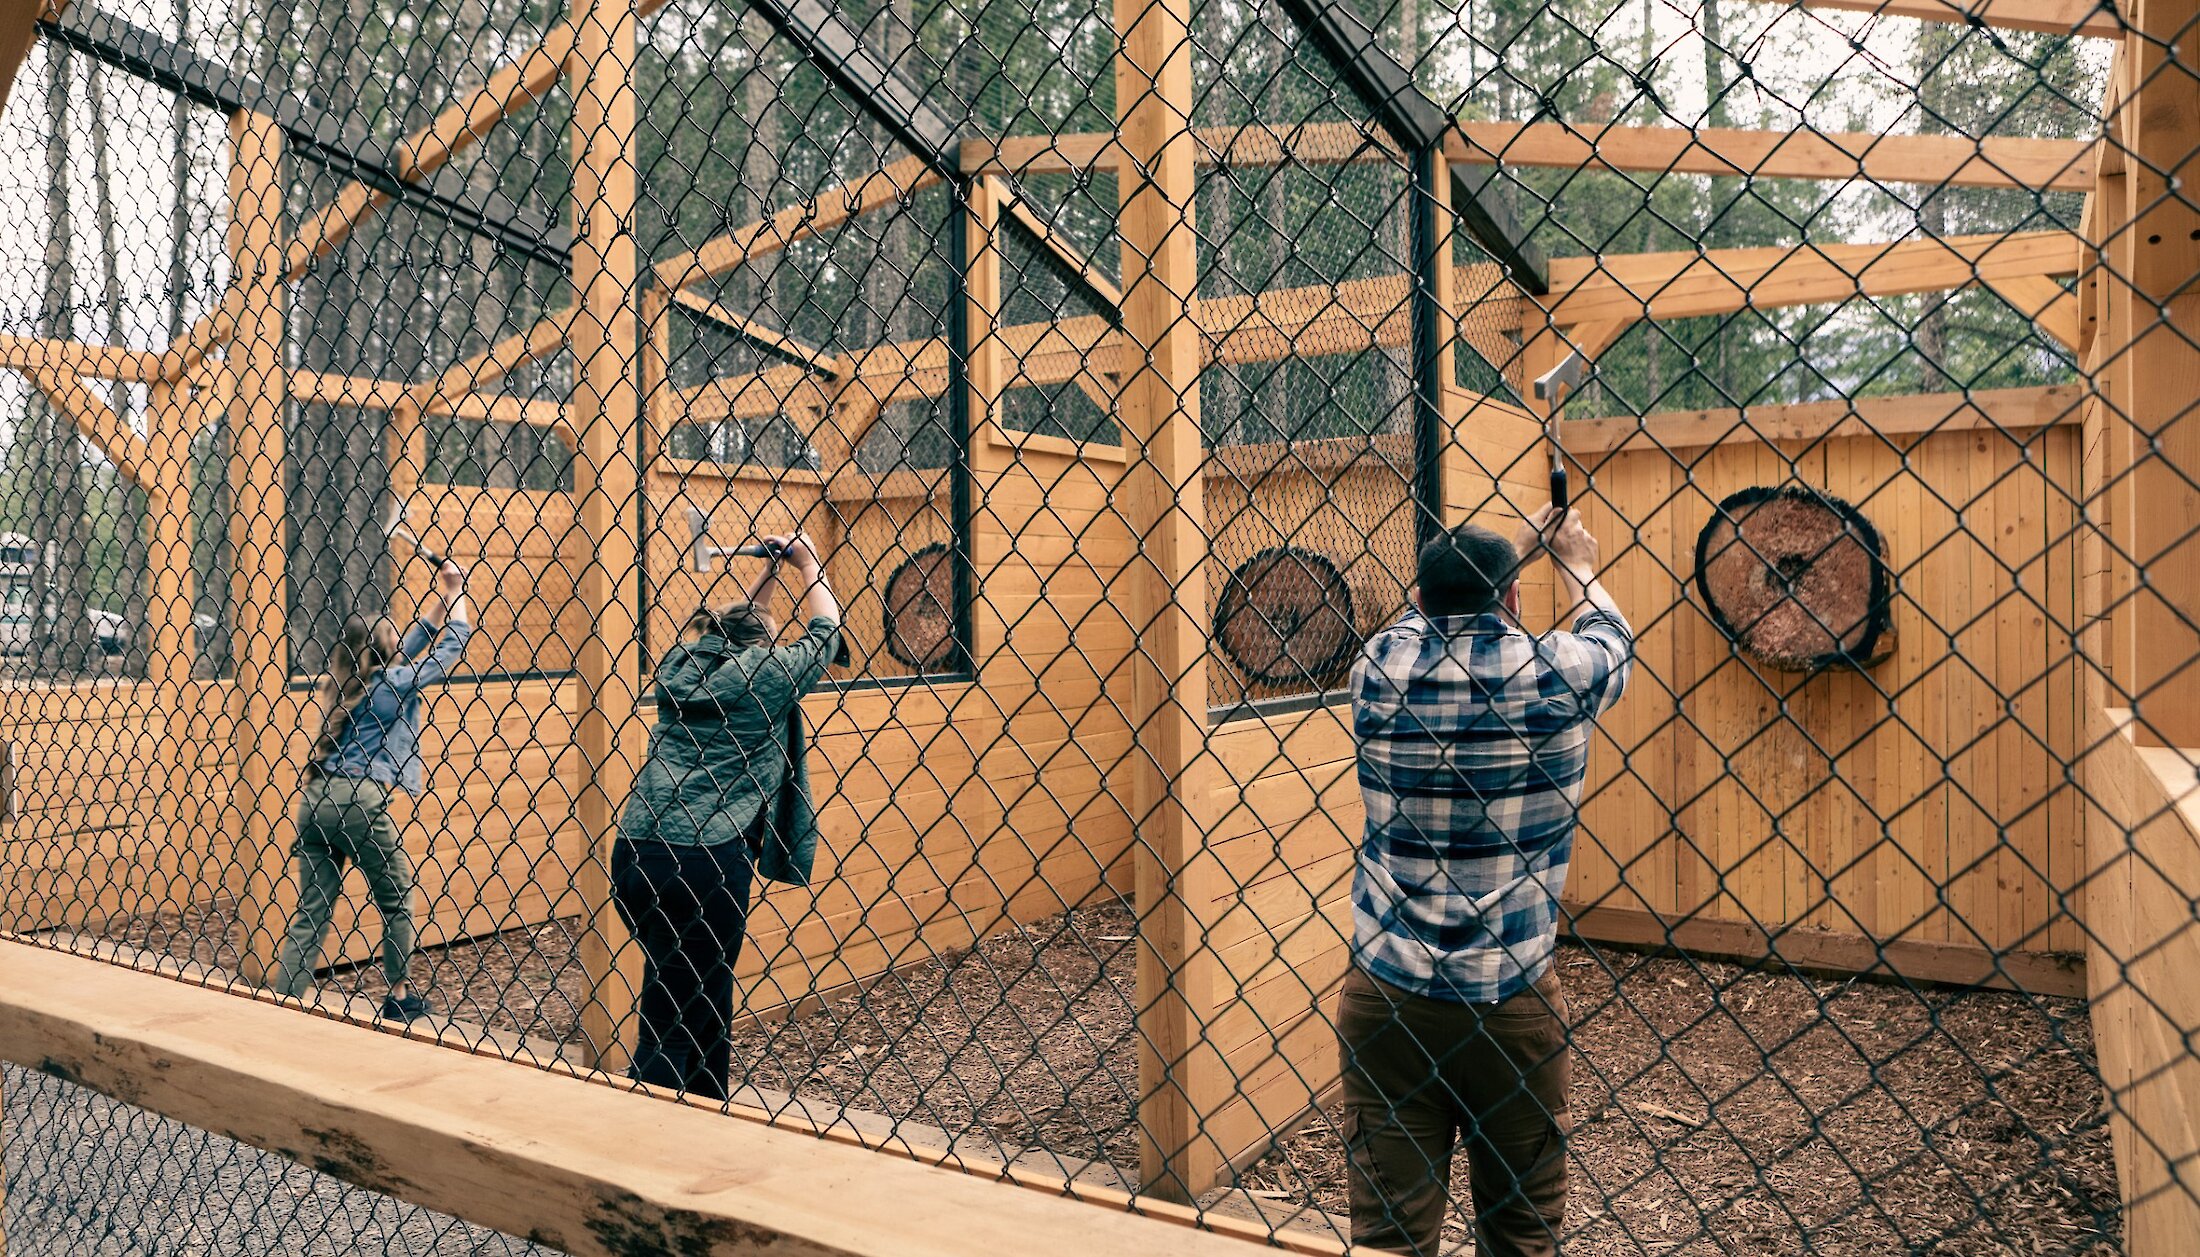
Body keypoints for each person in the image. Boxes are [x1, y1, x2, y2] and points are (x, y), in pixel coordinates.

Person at [1337, 505, 1633, 1257]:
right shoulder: (1556, 673)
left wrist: (1512, 555)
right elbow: (1613, 637)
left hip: (1387, 998)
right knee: (1520, 1232)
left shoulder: (1376, 669)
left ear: (1423, 600)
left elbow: (1420, 617)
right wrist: (1573, 559)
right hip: (1509, 998)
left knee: (1388, 1237)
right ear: (1515, 602)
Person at [615, 531, 842, 1100]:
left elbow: (736, 628)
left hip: (637, 852)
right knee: (707, 990)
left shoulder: (680, 663)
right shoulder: (768, 675)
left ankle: (657, 1094)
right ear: (762, 644)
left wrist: (767, 576)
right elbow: (827, 633)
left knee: (669, 975)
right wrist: (806, 561)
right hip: (708, 860)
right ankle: (687, 1103)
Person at [273, 559, 473, 1022]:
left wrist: (442, 598)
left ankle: (282, 1001)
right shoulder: (394, 684)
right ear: (387, 651)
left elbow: (414, 642)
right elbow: (453, 645)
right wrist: (459, 591)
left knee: (313, 910)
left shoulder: (346, 685)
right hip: (360, 801)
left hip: (316, 800)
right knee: (397, 896)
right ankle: (400, 995)